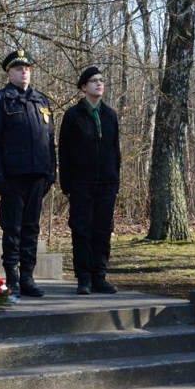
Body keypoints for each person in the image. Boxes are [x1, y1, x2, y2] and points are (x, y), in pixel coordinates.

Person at [0, 48, 56, 298]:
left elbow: (49, 140)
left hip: (38, 174)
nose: (24, 72)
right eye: (18, 69)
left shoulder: (41, 100)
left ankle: (27, 277)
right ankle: (12, 278)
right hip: (12, 176)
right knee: (13, 228)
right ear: (8, 73)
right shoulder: (1, 100)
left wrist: (51, 172)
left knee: (31, 228)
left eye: (27, 68)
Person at [58, 66, 121, 295]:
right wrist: (66, 185)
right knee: (82, 229)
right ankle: (83, 277)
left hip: (106, 183)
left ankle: (99, 276)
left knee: (103, 229)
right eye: (94, 81)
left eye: (102, 80)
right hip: (80, 183)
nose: (99, 84)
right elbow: (64, 153)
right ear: (84, 86)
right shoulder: (73, 116)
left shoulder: (110, 115)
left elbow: (116, 150)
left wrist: (115, 180)